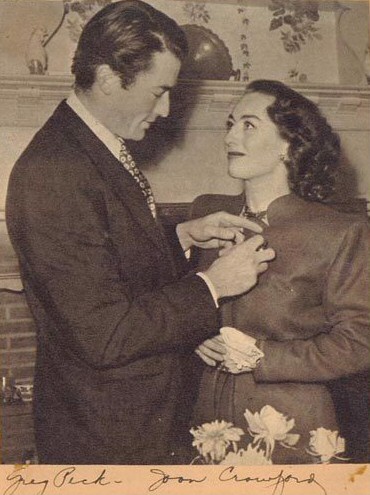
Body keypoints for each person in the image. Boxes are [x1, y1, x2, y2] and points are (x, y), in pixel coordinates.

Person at [5, 2, 275, 465]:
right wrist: (213, 284)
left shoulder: (92, 148)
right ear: (109, 77)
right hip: (104, 436)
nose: (167, 110)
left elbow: (104, 264)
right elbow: (107, 332)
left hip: (127, 421)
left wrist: (183, 236)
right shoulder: (55, 171)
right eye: (158, 92)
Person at [190, 79, 369, 464]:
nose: (229, 138)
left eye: (249, 125)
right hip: (208, 415)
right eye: (230, 123)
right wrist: (195, 336)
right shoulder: (205, 217)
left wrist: (262, 358)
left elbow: (360, 343)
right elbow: (180, 303)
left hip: (291, 423)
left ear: (288, 145)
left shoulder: (340, 230)